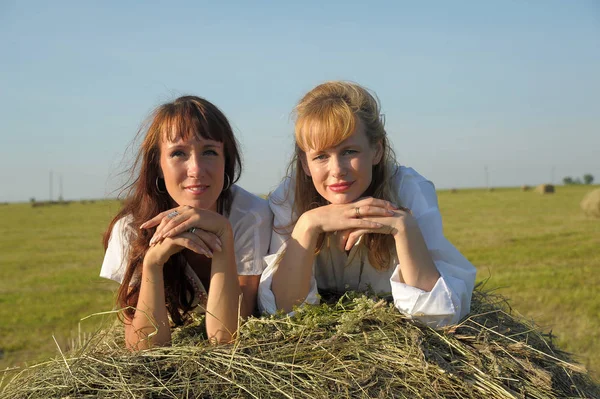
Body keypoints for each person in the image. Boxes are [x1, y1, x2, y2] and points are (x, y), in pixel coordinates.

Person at [258, 81, 476, 328]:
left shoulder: (408, 190)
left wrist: (404, 228)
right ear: (305, 163)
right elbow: (283, 313)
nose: (337, 170)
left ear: (376, 150)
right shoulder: (288, 199)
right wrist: (308, 225)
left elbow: (438, 316)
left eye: (349, 151)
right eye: (321, 156)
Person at [100, 96, 273, 349]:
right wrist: (153, 263)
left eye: (210, 152)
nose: (196, 169)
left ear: (227, 161)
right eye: (178, 153)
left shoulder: (251, 215)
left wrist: (223, 233)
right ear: (157, 165)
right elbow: (142, 349)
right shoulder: (130, 228)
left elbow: (225, 339)